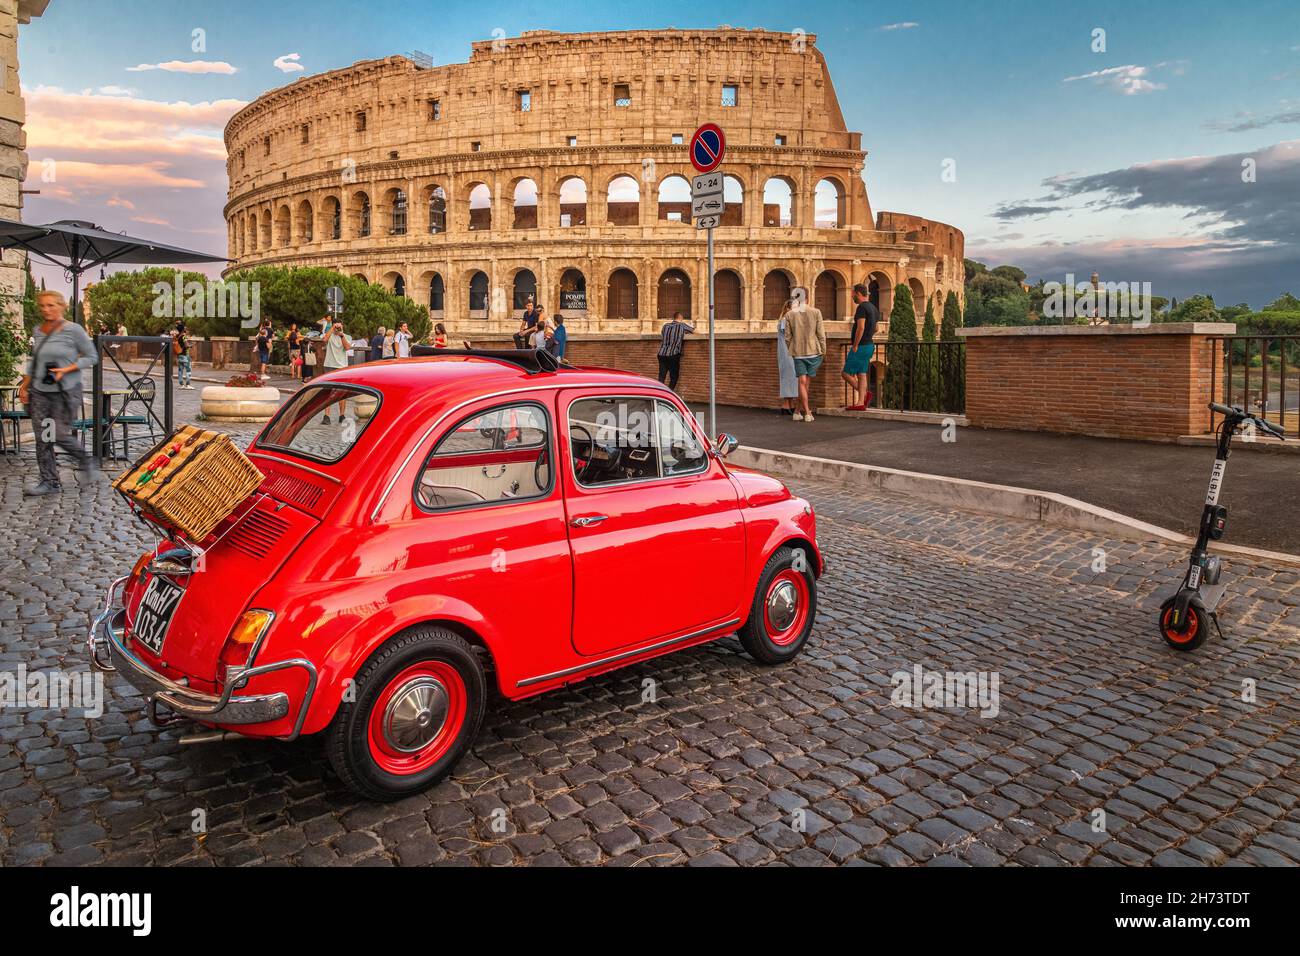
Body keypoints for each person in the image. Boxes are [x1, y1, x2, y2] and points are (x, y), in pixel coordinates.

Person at [19, 290, 98, 495]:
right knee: (43, 437)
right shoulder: (38, 330)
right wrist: (25, 386)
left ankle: (84, 458)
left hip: (65, 391)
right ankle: (49, 481)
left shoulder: (74, 330)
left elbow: (92, 356)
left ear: (61, 306)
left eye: (51, 305)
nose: (46, 309)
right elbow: (35, 362)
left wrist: (67, 369)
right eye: (43, 306)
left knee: (58, 433)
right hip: (40, 390)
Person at [782, 289, 826, 422]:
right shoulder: (816, 312)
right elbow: (821, 334)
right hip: (813, 351)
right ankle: (807, 412)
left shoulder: (789, 315)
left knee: (802, 382)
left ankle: (797, 411)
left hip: (798, 352)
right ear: (808, 298)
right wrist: (823, 350)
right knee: (806, 383)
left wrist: (793, 348)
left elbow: (787, 337)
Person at [842, 283, 879, 410]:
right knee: (862, 374)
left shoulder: (862, 308)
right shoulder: (874, 308)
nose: (852, 297)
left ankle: (864, 396)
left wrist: (856, 345)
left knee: (846, 374)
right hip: (869, 345)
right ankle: (860, 403)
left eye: (853, 294)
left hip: (861, 346)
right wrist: (868, 336)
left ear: (858, 293)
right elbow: (876, 328)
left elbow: (861, 327)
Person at [321, 322, 352, 423]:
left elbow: (347, 348)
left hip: (342, 366)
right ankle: (326, 416)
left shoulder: (347, 336)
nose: (338, 328)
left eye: (339, 326)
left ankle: (342, 415)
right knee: (328, 392)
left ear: (343, 326)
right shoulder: (329, 335)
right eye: (336, 326)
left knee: (342, 392)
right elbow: (324, 340)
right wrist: (331, 329)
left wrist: (341, 335)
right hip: (329, 365)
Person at [657, 310, 693, 390]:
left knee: (662, 376)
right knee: (673, 377)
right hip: (673, 354)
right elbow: (695, 331)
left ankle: (659, 393)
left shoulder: (665, 326)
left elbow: (663, 335)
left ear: (674, 318)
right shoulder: (682, 325)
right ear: (681, 318)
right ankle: (669, 393)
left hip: (661, 354)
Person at [775, 301, 797, 416]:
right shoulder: (785, 320)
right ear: (788, 308)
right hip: (786, 352)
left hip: (788, 352)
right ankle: (786, 404)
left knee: (791, 377)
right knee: (788, 376)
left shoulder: (785, 319)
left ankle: (790, 403)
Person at [172, 320, 193, 389]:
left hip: (179, 355)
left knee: (180, 370)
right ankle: (188, 384)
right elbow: (186, 345)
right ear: (183, 329)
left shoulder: (177, 336)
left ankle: (181, 384)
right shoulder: (184, 336)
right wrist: (191, 345)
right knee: (188, 369)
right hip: (185, 355)